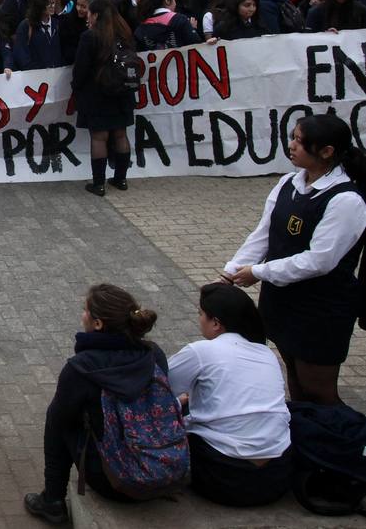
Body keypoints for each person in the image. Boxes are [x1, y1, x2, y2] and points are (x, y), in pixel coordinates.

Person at [222, 113, 366, 405]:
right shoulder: (288, 183)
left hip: (321, 308)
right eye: (293, 138)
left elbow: (319, 260)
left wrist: (258, 272)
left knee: (319, 389)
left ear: (327, 152)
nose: (292, 146)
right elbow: (263, 234)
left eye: (300, 141)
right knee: (295, 380)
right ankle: (305, 439)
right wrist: (231, 273)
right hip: (281, 300)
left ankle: (340, 442)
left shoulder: (346, 200)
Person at [24, 284, 170, 523]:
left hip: (113, 481)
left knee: (57, 418)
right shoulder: (153, 354)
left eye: (85, 310)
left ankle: (52, 500)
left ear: (98, 324)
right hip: (163, 468)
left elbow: (61, 419)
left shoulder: (82, 367)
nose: (82, 315)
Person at [166, 284, 293, 506]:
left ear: (216, 323)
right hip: (276, 476)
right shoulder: (266, 353)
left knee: (168, 415)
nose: (199, 319)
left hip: (224, 477)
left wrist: (181, 400)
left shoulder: (201, 351)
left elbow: (161, 388)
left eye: (201, 314)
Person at [71, 0, 136, 196]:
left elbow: (81, 68)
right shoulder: (124, 33)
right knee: (120, 134)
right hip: (122, 91)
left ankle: (98, 184)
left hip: (97, 92)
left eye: (89, 12)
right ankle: (121, 179)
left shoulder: (90, 37)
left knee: (99, 137)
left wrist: (76, 87)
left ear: (96, 14)